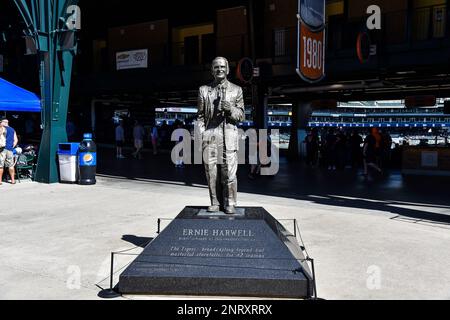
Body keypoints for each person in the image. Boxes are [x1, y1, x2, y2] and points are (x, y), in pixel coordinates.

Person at [197, 57, 245, 214]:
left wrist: (230, 109)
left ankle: (229, 203)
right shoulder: (203, 90)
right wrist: (202, 136)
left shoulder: (237, 90)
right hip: (210, 136)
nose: (220, 69)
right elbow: (200, 117)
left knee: (229, 174)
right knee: (212, 173)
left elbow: (241, 115)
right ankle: (215, 202)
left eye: (222, 67)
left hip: (229, 137)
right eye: (216, 67)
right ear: (212, 70)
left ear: (228, 69)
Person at [0, 118, 19, 185]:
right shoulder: (12, 129)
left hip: (2, 150)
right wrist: (11, 146)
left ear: (3, 122)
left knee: (0, 166)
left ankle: (0, 181)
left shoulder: (1, 128)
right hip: (10, 150)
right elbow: (16, 140)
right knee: (11, 165)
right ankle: (13, 180)